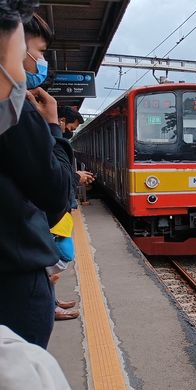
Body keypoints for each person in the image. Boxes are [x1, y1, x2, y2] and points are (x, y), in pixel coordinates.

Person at [0, 2, 75, 349]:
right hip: (14, 281)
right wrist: (51, 126)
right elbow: (56, 194)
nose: (33, 65)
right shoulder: (14, 112)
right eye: (34, 52)